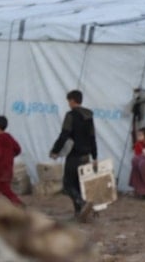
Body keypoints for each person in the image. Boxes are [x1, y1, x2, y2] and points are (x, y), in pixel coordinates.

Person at [50, 89, 98, 222]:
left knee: (68, 184)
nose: (68, 104)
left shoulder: (70, 115)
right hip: (86, 155)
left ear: (72, 101)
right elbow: (92, 137)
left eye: (68, 101)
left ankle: (82, 203)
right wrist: (94, 155)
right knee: (79, 185)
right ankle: (79, 213)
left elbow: (64, 134)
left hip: (74, 155)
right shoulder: (89, 116)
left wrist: (55, 150)